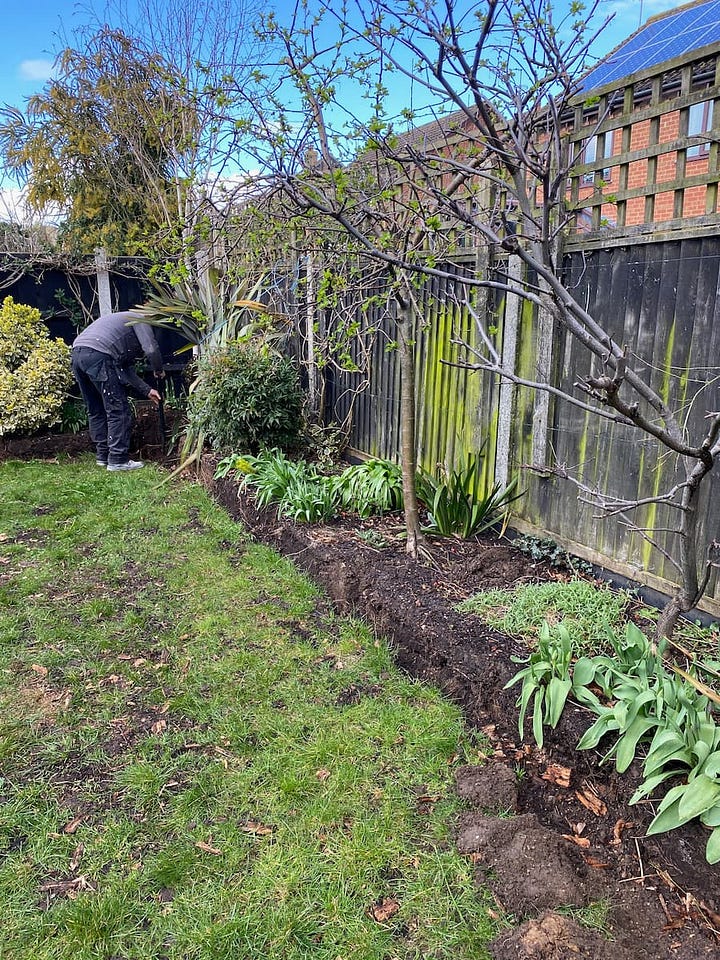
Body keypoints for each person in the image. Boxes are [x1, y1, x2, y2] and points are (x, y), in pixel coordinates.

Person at [71, 311, 165, 471]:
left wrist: (147, 390)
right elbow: (150, 348)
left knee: (96, 409)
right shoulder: (139, 319)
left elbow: (124, 369)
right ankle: (117, 459)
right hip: (98, 355)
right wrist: (158, 369)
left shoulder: (118, 322)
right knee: (118, 410)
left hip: (77, 354)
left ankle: (103, 457)